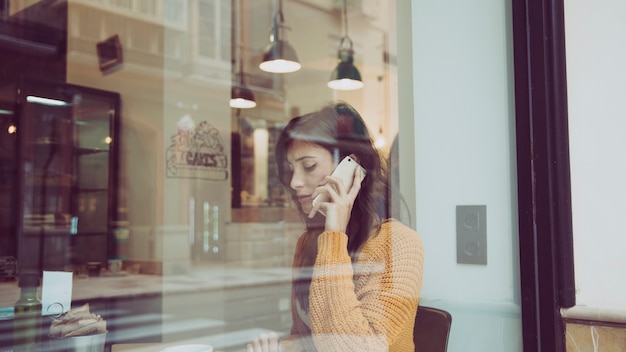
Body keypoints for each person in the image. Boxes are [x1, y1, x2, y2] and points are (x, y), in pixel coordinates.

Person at [246, 102, 424, 352]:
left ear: (351, 168)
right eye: (290, 170)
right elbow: (306, 336)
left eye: (309, 166)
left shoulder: (399, 244)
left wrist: (334, 237)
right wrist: (281, 348)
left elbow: (356, 349)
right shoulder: (308, 242)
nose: (295, 182)